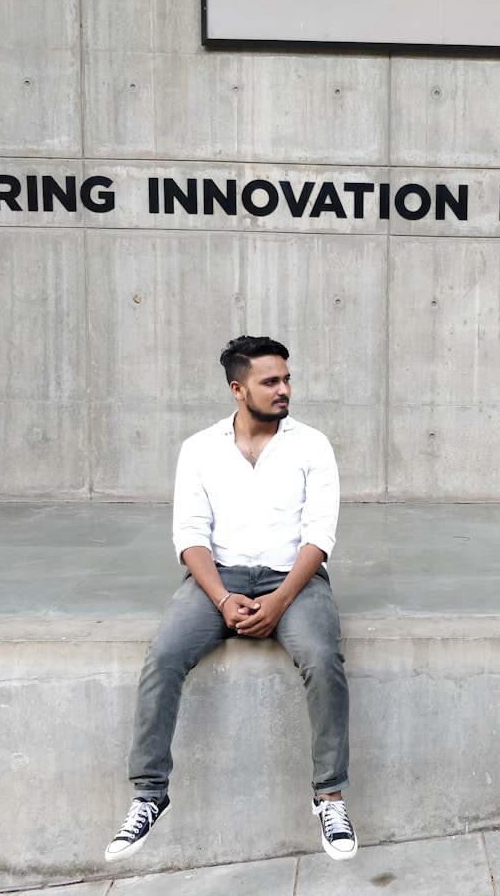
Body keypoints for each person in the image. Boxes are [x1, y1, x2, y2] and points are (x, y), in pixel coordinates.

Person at [104, 335, 357, 863]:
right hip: (215, 578)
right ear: (238, 389)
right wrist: (221, 599)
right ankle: (150, 793)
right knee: (165, 655)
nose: (284, 389)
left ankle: (329, 796)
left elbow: (320, 537)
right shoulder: (199, 448)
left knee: (321, 656)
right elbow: (189, 535)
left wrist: (281, 601)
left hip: (295, 577)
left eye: (286, 379)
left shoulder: (313, 445)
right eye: (271, 382)